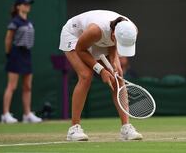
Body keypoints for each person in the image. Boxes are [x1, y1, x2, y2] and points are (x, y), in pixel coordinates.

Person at [59, 10, 142, 141]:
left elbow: (114, 45)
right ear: (114, 34)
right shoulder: (96, 30)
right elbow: (81, 49)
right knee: (86, 75)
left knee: (118, 75)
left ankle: (126, 128)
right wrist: (101, 70)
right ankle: (74, 129)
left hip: (101, 39)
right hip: (75, 35)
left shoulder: (131, 30)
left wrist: (114, 63)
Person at [1, 0, 42, 124]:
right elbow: (8, 39)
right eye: (24, 4)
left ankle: (27, 114)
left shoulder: (29, 22)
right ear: (18, 6)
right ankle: (5, 114)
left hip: (27, 54)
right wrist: (9, 54)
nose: (27, 6)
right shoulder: (15, 22)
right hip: (16, 54)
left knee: (27, 86)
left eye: (28, 4)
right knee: (12, 86)